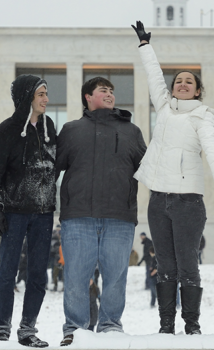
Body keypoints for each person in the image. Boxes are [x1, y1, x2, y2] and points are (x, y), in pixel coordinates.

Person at [131, 21, 214, 335]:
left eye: (188, 81)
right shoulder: (163, 107)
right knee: (164, 264)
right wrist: (145, 46)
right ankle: (166, 325)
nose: (182, 84)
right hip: (158, 200)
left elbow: (212, 146)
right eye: (178, 80)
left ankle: (191, 325)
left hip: (188, 202)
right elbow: (154, 78)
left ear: (198, 89)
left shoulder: (202, 115)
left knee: (187, 263)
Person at [55, 74, 147, 346]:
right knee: (75, 277)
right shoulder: (71, 130)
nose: (109, 94)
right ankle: (75, 328)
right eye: (103, 90)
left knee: (116, 276)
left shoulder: (131, 131)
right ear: (88, 97)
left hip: (120, 217)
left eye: (111, 91)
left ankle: (110, 326)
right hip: (78, 216)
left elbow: (148, 168)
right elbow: (52, 169)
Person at [0, 73, 56, 347]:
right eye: (41, 94)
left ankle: (28, 329)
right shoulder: (6, 130)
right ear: (27, 96)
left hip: (43, 211)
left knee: (38, 274)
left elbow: (56, 163)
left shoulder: (49, 126)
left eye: (46, 93)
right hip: (14, 212)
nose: (46, 99)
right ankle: (2, 326)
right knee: (8, 272)